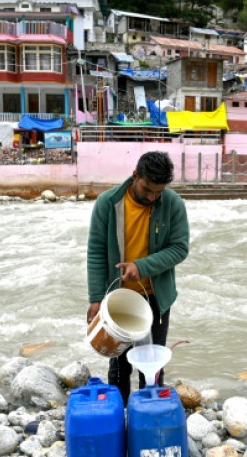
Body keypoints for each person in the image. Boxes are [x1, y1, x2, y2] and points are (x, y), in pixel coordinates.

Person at [86, 151, 190, 403]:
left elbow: (179, 248)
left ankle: (148, 415)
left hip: (155, 298)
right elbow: (96, 251)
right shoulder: (108, 203)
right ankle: (119, 415)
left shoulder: (173, 204)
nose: (153, 197)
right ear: (135, 176)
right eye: (147, 190)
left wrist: (141, 266)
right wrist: (97, 298)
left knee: (151, 365)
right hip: (117, 302)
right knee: (119, 366)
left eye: (158, 192)